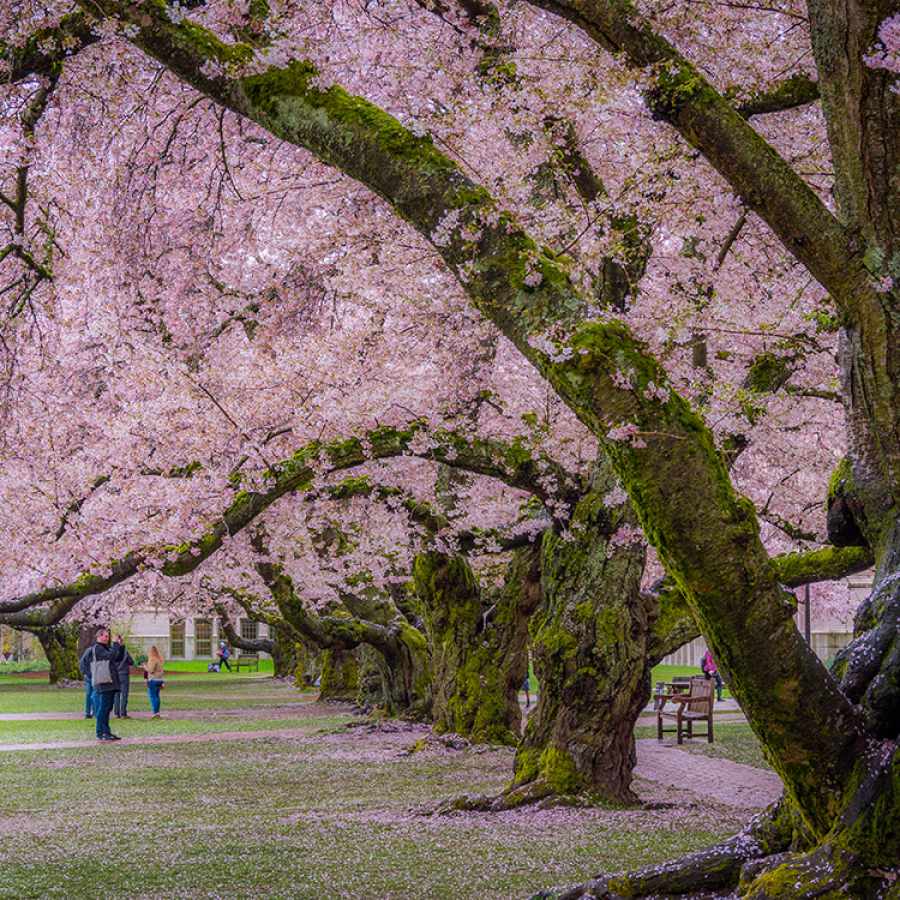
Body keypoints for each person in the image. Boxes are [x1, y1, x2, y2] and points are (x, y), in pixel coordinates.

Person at [86, 627, 126, 741]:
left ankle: (106, 731)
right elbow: (110, 657)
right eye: (106, 636)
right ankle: (100, 732)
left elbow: (117, 658)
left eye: (108, 637)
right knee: (103, 708)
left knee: (107, 708)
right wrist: (115, 644)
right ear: (99, 637)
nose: (107, 638)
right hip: (104, 682)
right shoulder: (97, 648)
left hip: (110, 682)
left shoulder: (106, 648)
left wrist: (121, 646)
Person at [112, 638, 135, 719]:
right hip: (124, 674)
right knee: (124, 694)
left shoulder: (112, 652)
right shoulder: (125, 652)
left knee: (116, 694)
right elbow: (131, 662)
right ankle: (123, 713)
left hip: (115, 675)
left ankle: (116, 713)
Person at [143, 645, 165, 717]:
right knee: (157, 696)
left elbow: (151, 670)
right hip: (159, 680)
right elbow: (162, 671)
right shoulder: (160, 660)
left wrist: (145, 666)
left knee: (153, 696)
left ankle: (155, 712)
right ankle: (157, 712)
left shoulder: (152, 659)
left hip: (153, 680)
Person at [78, 643, 94, 719]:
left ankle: (92, 712)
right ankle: (88, 712)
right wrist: (84, 673)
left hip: (94, 675)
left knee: (91, 694)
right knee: (90, 694)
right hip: (89, 676)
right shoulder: (90, 651)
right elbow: (82, 662)